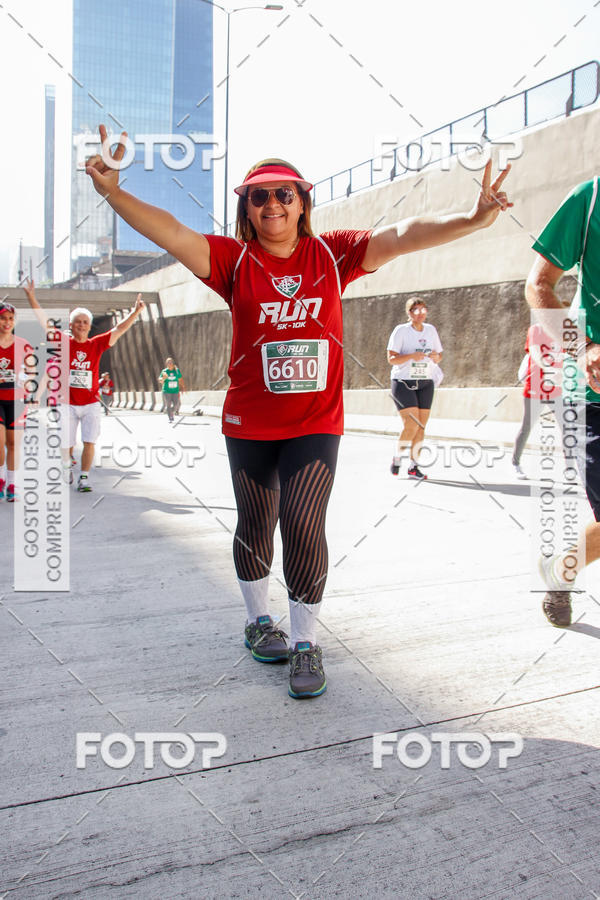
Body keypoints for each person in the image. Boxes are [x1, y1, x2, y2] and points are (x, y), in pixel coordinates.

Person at [85, 123, 512, 698]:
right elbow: (172, 233)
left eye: (285, 193)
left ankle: (307, 643)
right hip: (249, 424)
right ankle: (259, 621)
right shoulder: (232, 261)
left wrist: (472, 218)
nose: (272, 203)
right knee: (257, 524)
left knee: (305, 522)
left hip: (315, 422)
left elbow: (401, 234)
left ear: (302, 202)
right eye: (258, 195)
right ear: (248, 208)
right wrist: (113, 193)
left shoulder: (332, 255)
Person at [525, 177, 600, 627]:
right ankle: (560, 571)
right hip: (591, 394)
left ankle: (560, 568)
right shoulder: (589, 201)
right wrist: (583, 346)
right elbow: (539, 283)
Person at [24, 280, 145, 492]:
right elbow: (44, 323)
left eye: (85, 322)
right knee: (66, 445)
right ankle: (66, 464)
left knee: (89, 441)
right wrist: (32, 297)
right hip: (67, 403)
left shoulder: (97, 344)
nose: (81, 325)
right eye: (77, 322)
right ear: (70, 325)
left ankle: (84, 478)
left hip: (91, 403)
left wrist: (135, 313)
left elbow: (119, 328)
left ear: (90, 326)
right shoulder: (63, 342)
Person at [387, 297, 443, 480]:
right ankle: (398, 457)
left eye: (423, 309)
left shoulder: (431, 330)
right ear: (409, 313)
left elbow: (439, 356)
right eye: (416, 310)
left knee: (421, 426)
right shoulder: (401, 331)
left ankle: (414, 466)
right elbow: (392, 359)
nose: (420, 313)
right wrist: (412, 355)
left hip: (425, 382)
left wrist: (435, 356)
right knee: (412, 424)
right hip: (403, 382)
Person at [512, 322, 563, 479]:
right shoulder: (536, 329)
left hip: (556, 389)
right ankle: (515, 463)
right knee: (527, 426)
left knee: (567, 428)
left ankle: (571, 470)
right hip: (535, 388)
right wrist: (549, 369)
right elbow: (535, 352)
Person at [0, 301, 33, 502]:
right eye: (3, 318)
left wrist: (27, 380)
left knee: (13, 444)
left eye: (11, 319)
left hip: (17, 400)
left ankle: (11, 484)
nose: (7, 322)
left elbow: (31, 371)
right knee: (0, 442)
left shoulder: (23, 344)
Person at [158, 358, 186, 423]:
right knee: (168, 404)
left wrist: (182, 387)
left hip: (175, 391)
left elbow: (180, 379)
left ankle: (169, 411)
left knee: (176, 404)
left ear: (173, 363)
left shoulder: (176, 371)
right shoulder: (164, 371)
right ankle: (170, 416)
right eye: (168, 363)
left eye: (171, 362)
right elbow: (160, 380)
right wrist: (163, 378)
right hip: (166, 391)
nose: (169, 364)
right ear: (166, 364)